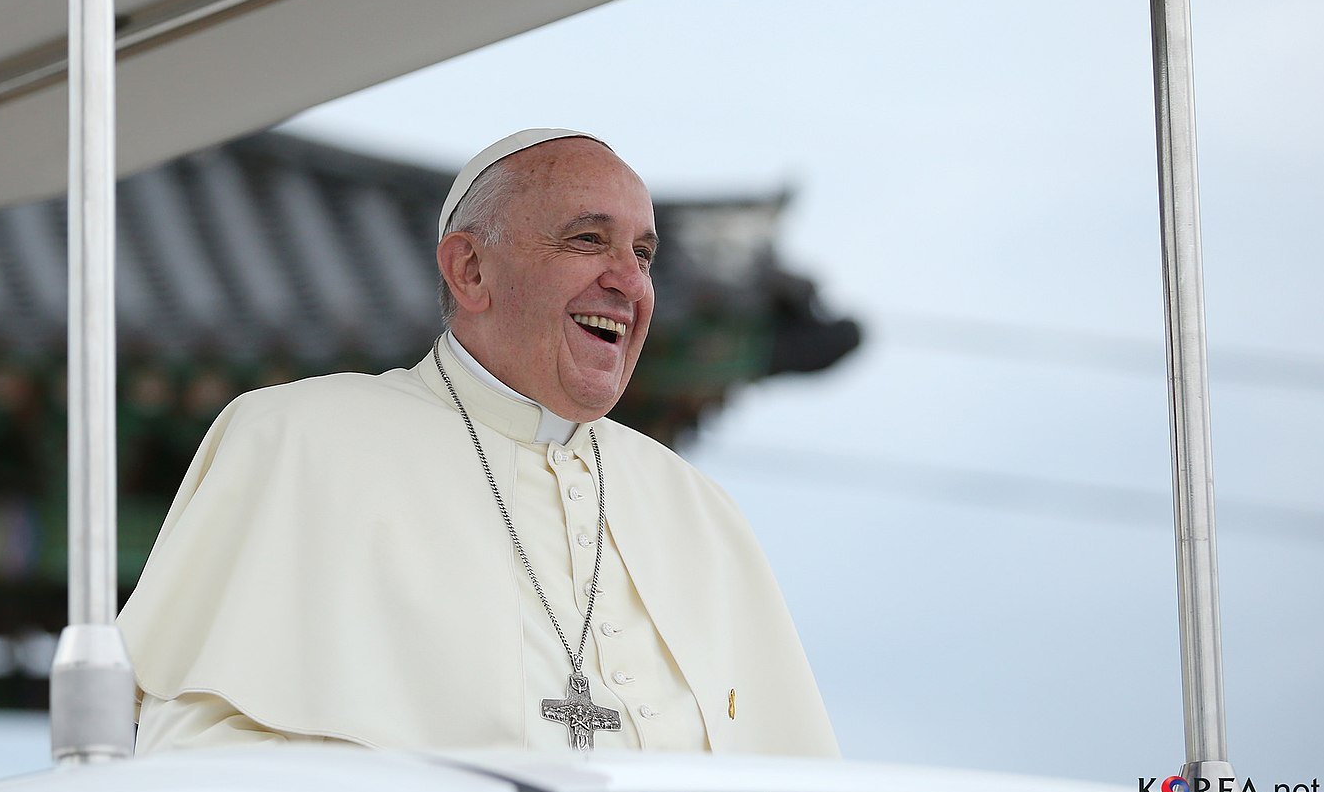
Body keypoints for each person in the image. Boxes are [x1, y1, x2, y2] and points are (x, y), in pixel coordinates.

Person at [117, 128, 837, 756]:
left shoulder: (699, 511)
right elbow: (193, 761)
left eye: (644, 255)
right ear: (469, 270)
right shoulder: (298, 441)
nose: (629, 283)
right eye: (587, 240)